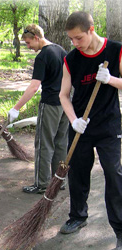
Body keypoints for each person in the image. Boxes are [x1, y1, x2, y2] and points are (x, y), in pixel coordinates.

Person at [59, 11, 122, 248]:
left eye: (78, 38)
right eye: (71, 39)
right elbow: (64, 96)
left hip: (108, 125)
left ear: (91, 30)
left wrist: (111, 80)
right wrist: (74, 120)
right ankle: (78, 216)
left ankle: (120, 229)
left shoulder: (115, 50)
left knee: (114, 174)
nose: (75, 44)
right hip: (80, 128)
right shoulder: (71, 59)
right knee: (78, 174)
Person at [8, 24, 69, 194]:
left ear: (36, 37)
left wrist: (16, 108)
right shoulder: (61, 50)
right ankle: (60, 181)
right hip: (65, 104)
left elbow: (34, 87)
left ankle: (41, 184)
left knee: (44, 145)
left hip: (50, 105)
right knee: (61, 144)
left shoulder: (43, 56)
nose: (28, 47)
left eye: (28, 43)